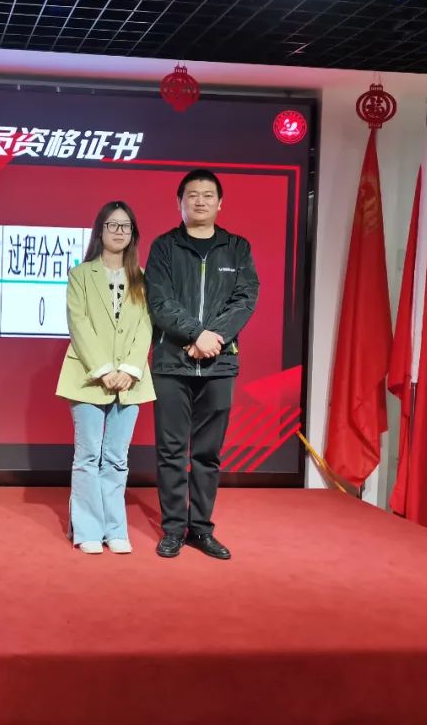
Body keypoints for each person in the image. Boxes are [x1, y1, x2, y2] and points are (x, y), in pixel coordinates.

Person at [145, 169, 259, 560]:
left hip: (219, 364)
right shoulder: (164, 247)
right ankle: (173, 529)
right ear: (179, 202)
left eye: (208, 195)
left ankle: (201, 529)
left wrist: (214, 338)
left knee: (207, 454)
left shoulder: (237, 247)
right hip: (171, 364)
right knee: (171, 452)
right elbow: (159, 301)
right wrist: (196, 334)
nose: (200, 201)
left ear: (220, 203)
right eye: (192, 195)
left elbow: (245, 298)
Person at [56, 201, 156, 554]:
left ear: (133, 234)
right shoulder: (80, 275)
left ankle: (115, 530)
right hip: (88, 377)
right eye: (112, 225)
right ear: (100, 230)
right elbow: (79, 325)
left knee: (116, 458)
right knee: (88, 456)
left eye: (125, 226)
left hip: (131, 381)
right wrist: (104, 370)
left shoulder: (143, 278)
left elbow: (146, 326)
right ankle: (87, 530)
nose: (119, 231)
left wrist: (129, 370)